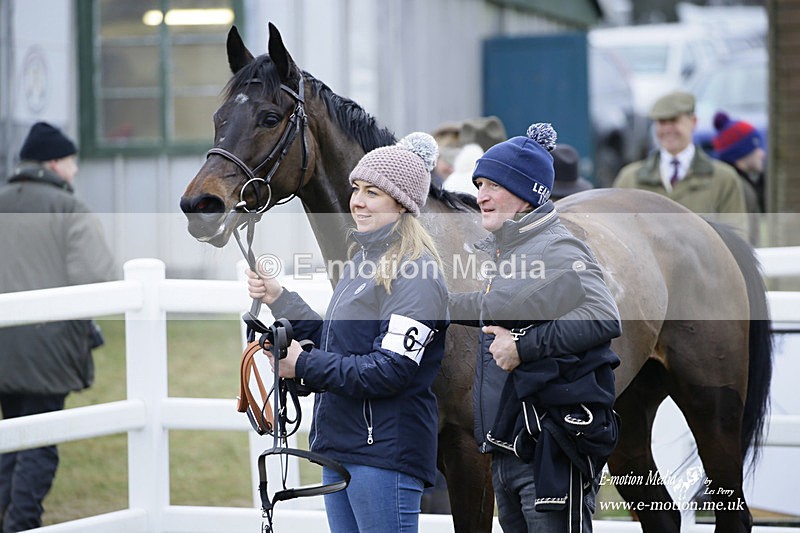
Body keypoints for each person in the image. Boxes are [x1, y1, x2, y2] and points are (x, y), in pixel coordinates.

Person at [247, 132, 449, 533]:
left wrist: (302, 365)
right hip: (341, 447)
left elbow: (390, 370)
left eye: (373, 192)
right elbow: (339, 344)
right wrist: (281, 299)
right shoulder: (364, 261)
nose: (357, 200)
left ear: (402, 203)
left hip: (383, 455)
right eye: (356, 189)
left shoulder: (416, 274)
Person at [448, 123, 622, 532]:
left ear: (527, 193)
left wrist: (524, 346)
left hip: (552, 446)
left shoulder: (557, 245)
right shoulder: (508, 248)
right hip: (510, 449)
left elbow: (604, 316)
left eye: (492, 184)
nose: (481, 196)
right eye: (479, 184)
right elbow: (496, 305)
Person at [0, 122, 116, 532]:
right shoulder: (69, 209)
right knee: (38, 443)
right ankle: (22, 522)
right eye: (71, 161)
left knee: (8, 439)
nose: (76, 169)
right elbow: (100, 277)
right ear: (53, 163)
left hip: (3, 350)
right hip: (47, 352)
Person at [612, 91, 748, 236]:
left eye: (674, 121)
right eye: (662, 122)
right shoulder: (630, 179)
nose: (667, 129)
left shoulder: (723, 179)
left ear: (693, 121)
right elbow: (615, 234)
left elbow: (737, 239)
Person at [712, 111, 765, 244]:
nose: (762, 154)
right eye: (756, 147)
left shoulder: (723, 183)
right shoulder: (739, 189)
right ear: (740, 153)